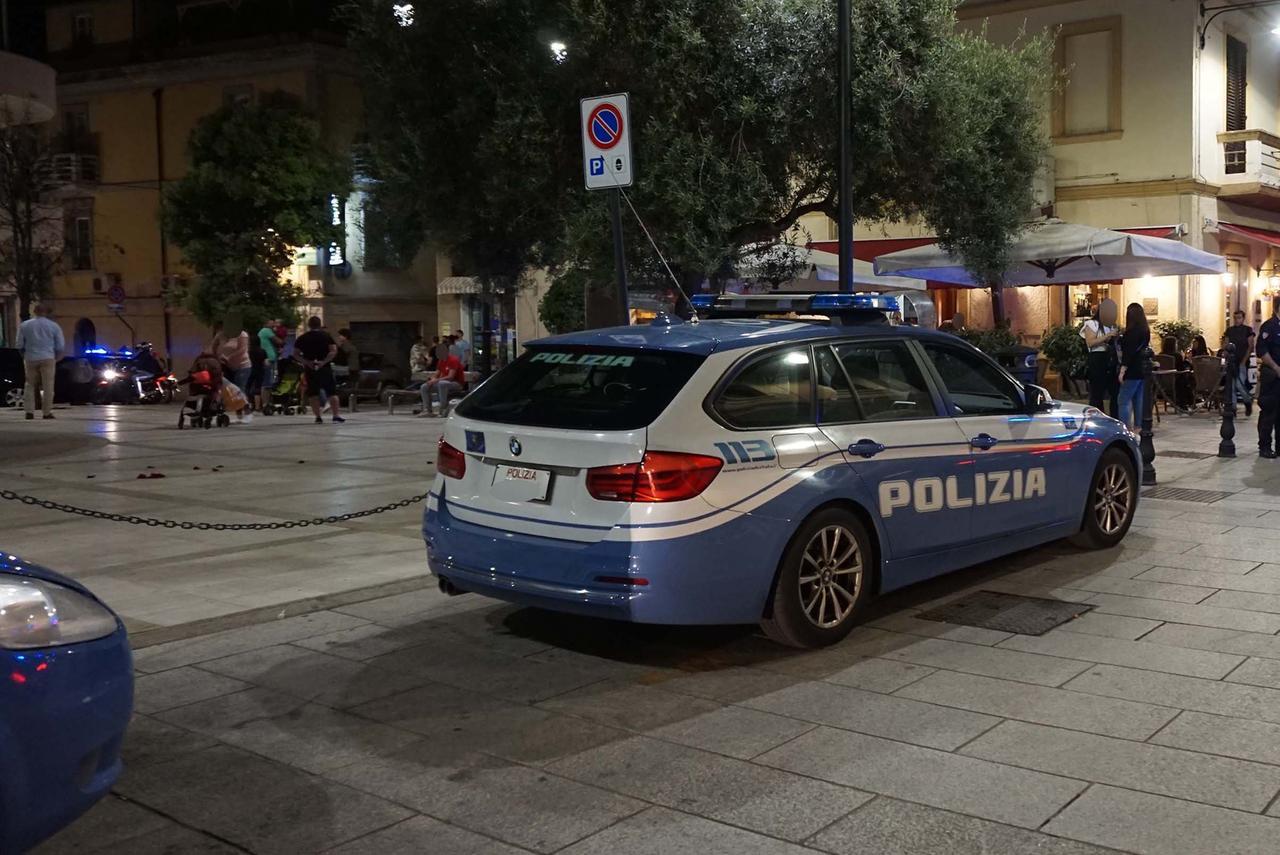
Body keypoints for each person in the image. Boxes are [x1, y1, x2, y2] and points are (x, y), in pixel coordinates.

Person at [15, 304, 65, 420]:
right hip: (48, 357)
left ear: (34, 311)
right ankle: (46, 412)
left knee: (29, 385)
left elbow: (19, 344)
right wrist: (56, 357)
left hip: (30, 357)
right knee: (48, 385)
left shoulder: (25, 325)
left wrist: (24, 355)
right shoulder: (53, 326)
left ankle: (29, 412)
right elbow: (60, 345)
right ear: (46, 312)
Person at [294, 316, 344, 424]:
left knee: (313, 393)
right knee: (332, 392)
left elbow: (296, 354)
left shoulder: (302, 338)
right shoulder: (326, 336)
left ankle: (318, 417)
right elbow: (333, 351)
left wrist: (307, 362)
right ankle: (336, 416)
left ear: (309, 325)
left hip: (310, 368)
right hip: (324, 367)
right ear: (320, 324)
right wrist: (324, 362)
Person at [1080, 299, 1120, 416]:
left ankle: (1114, 417)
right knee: (1097, 391)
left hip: (1110, 358)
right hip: (1097, 358)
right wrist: (1107, 336)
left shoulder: (1112, 325)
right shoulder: (1091, 324)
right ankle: (1096, 417)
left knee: (1114, 391)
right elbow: (1090, 342)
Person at [1117, 303, 1150, 429]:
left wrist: (1123, 370)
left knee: (1123, 400)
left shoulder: (1131, 333)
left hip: (1132, 369)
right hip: (1142, 367)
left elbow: (1128, 353)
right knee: (1138, 398)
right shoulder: (1145, 330)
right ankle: (1139, 426)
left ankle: (1125, 427)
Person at [1258, 299, 1280, 457]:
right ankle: (1265, 446)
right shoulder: (1269, 326)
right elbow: (1262, 350)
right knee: (1269, 412)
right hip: (1272, 375)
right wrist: (1276, 368)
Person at [417, 349, 466, 417]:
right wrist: (432, 380)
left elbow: (450, 377)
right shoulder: (441, 361)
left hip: (456, 384)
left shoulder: (453, 360)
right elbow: (437, 374)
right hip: (444, 383)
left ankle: (443, 409)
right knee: (424, 387)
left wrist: (436, 380)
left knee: (442, 384)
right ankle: (427, 410)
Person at [1224, 310, 1255, 416]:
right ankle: (1233, 408)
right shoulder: (1230, 330)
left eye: (1239, 318)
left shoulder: (1248, 330)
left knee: (1239, 384)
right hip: (1231, 362)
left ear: (1243, 318)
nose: (1237, 320)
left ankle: (1247, 401)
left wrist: (1244, 361)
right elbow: (1226, 344)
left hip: (1242, 362)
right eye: (1235, 318)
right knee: (1231, 385)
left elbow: (1250, 346)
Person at [1160, 335, 1195, 413]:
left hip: (1162, 381)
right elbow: (1180, 369)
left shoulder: (1160, 355)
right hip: (1175, 381)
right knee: (1186, 379)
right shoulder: (1177, 355)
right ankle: (1188, 402)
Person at [257, 320, 283, 413]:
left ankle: (267, 403)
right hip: (268, 359)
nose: (273, 324)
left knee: (269, 383)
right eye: (271, 322)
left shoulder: (265, 332)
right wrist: (282, 340)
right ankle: (265, 404)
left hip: (270, 359)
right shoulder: (266, 330)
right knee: (266, 383)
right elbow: (278, 341)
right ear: (266, 324)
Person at [219, 326, 252, 392]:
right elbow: (216, 346)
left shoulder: (242, 334)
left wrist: (229, 357)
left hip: (242, 366)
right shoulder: (225, 335)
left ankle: (242, 401)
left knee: (239, 388)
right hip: (229, 366)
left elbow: (243, 349)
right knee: (228, 389)